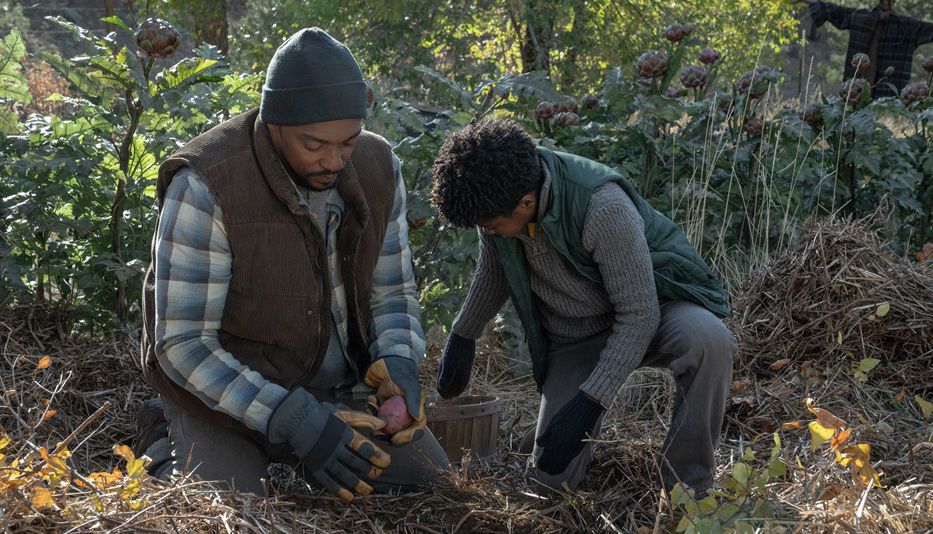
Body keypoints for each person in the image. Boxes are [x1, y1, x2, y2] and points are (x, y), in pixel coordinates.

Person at [135, 27, 450, 500]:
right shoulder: (206, 184)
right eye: (315, 145)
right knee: (232, 512)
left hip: (339, 395)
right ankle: (164, 437)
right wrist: (292, 419)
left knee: (433, 484)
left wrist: (399, 360)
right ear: (274, 124)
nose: (336, 160)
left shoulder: (378, 166)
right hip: (226, 397)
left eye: (348, 142)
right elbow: (182, 344)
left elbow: (393, 291)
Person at [430, 119, 737, 493]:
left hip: (651, 313)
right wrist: (463, 336)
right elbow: (494, 273)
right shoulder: (495, 199)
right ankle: (541, 444)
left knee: (709, 341)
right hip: (576, 336)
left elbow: (639, 316)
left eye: (491, 226)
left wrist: (590, 402)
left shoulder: (602, 206)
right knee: (547, 483)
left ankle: (689, 487)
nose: (488, 231)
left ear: (526, 202)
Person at [803, 0, 933, 97]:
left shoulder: (905, 26)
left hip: (887, 89)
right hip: (858, 86)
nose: (885, 3)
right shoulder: (862, 18)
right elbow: (835, 11)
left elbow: (928, 29)